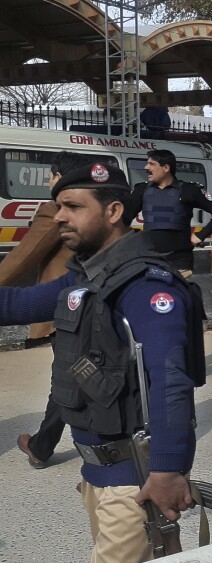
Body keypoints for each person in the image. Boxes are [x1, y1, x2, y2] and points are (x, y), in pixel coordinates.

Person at [0, 163, 204, 563]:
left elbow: (169, 382)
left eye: (73, 207)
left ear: (113, 212)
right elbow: (17, 305)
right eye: (59, 207)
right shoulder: (88, 277)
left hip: (135, 484)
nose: (59, 217)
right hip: (97, 475)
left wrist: (167, 470)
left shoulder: (146, 284)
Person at [0, 151, 93, 469]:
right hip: (85, 304)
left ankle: (43, 446)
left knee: (68, 378)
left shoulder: (55, 210)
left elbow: (21, 259)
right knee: (75, 375)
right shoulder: (99, 211)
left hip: (60, 306)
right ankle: (44, 444)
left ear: (57, 177)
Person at [129, 149, 212, 274]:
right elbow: (123, 218)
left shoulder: (189, 190)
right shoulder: (142, 190)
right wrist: (136, 237)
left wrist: (200, 235)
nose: (146, 167)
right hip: (149, 262)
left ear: (166, 168)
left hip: (180, 264)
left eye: (151, 164)